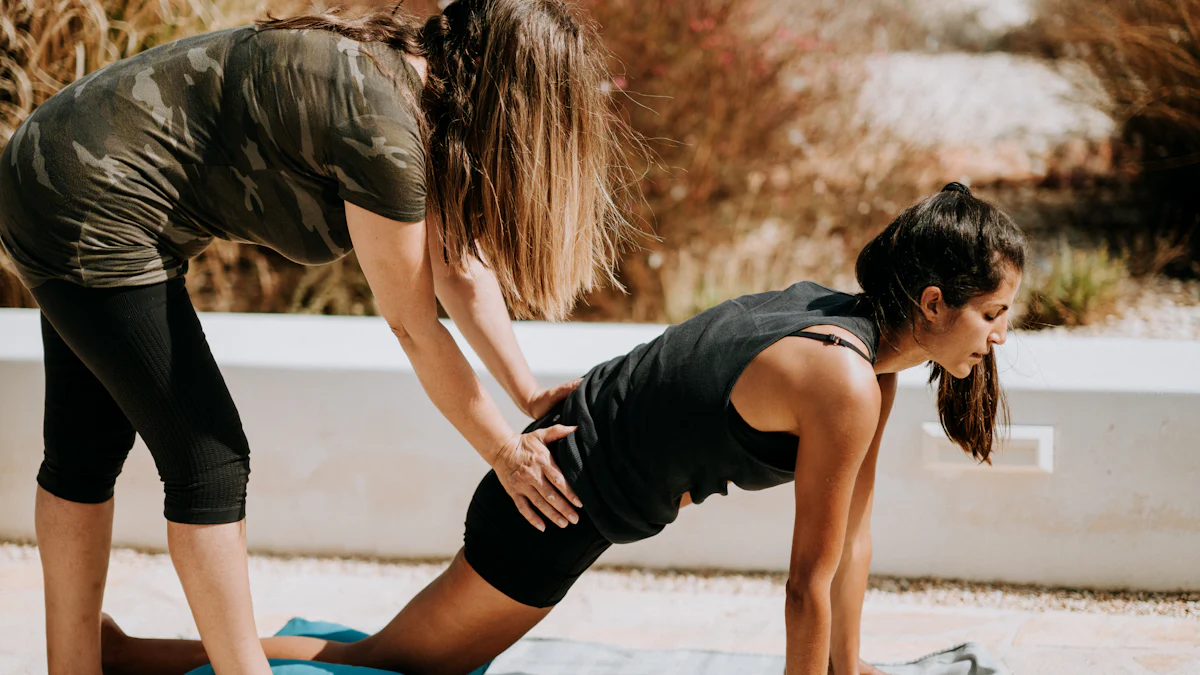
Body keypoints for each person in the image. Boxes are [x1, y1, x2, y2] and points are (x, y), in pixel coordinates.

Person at [100, 184, 1028, 675]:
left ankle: (133, 653)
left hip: (574, 479)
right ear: (933, 302)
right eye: (992, 314)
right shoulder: (845, 379)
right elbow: (805, 584)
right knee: (384, 663)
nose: (998, 336)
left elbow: (851, 542)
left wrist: (847, 668)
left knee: (394, 654)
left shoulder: (860, 351)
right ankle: (127, 656)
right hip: (551, 499)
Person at [0, 1, 636, 673]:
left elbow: (458, 269)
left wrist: (527, 392)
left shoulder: (412, 94)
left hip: (55, 166)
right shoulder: (386, 129)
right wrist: (506, 453)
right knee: (209, 461)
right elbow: (414, 327)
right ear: (512, 97)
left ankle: (74, 666)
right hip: (90, 195)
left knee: (85, 450)